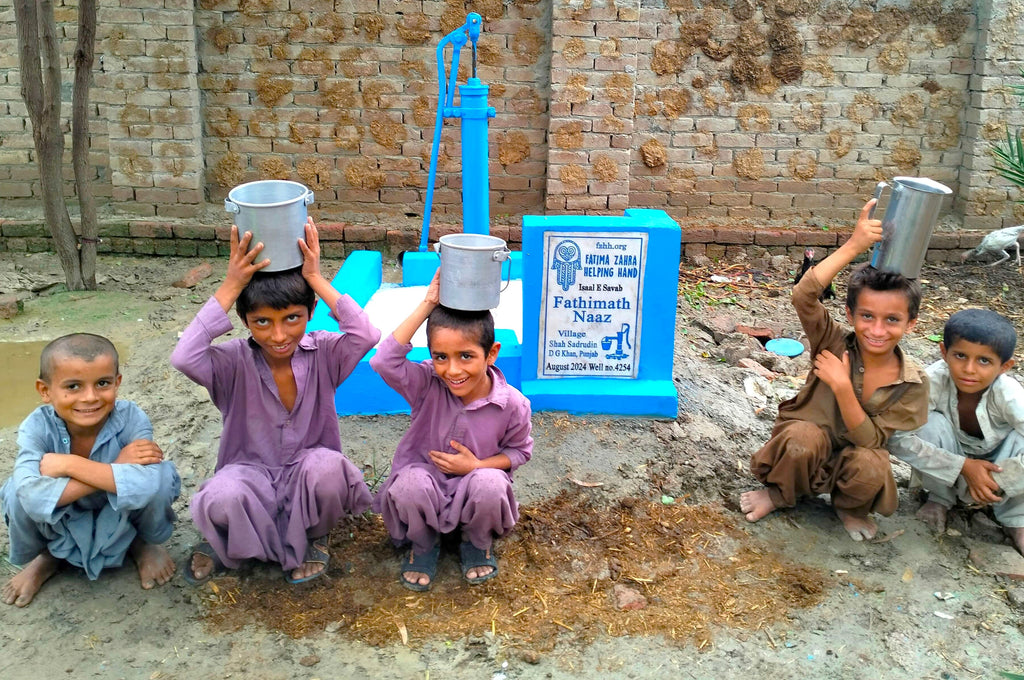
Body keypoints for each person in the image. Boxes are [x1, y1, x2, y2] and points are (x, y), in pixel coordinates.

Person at [171, 219, 379, 585]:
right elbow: (184, 357)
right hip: (250, 473)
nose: (279, 335)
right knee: (222, 496)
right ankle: (229, 542)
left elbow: (366, 334)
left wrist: (314, 277)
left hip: (307, 472)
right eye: (262, 322)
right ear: (244, 320)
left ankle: (314, 535)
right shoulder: (231, 362)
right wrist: (232, 283)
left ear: (310, 312)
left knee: (330, 471)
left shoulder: (325, 354)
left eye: (292, 318)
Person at [740, 199, 929, 540]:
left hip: (852, 462)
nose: (877, 329)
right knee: (802, 438)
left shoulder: (911, 383)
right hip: (801, 456)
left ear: (912, 324)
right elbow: (804, 296)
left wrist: (842, 387)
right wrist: (854, 246)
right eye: (867, 316)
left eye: (892, 320)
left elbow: (871, 440)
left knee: (873, 462)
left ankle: (849, 507)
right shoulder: (833, 343)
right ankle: (779, 494)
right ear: (850, 313)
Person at [369, 273, 532, 591]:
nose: (452, 370)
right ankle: (423, 543)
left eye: (466, 356)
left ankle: (476, 541)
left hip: (475, 493)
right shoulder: (426, 383)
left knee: (490, 483)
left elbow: (519, 452)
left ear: (492, 353)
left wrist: (476, 466)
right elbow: (384, 360)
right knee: (408, 484)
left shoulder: (512, 404)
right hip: (424, 491)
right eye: (440, 357)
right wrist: (427, 304)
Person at [1, 334, 179, 607]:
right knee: (16, 491)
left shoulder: (131, 418)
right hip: (64, 513)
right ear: (44, 390)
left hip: (120, 510)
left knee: (162, 476)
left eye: (103, 383)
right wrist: (117, 468)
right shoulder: (36, 427)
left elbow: (145, 487)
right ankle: (48, 557)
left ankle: (142, 544)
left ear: (117, 383)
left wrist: (70, 465)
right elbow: (33, 498)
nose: (90, 397)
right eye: (73, 386)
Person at [889, 309, 1024, 554]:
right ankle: (939, 499)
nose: (969, 369)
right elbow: (897, 438)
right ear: (944, 352)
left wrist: (998, 479)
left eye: (984, 360)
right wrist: (963, 466)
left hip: (1001, 465)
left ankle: (1016, 518)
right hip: (953, 459)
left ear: (1005, 366)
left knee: (1020, 438)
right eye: (960, 355)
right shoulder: (931, 381)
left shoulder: (1010, 394)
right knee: (928, 424)